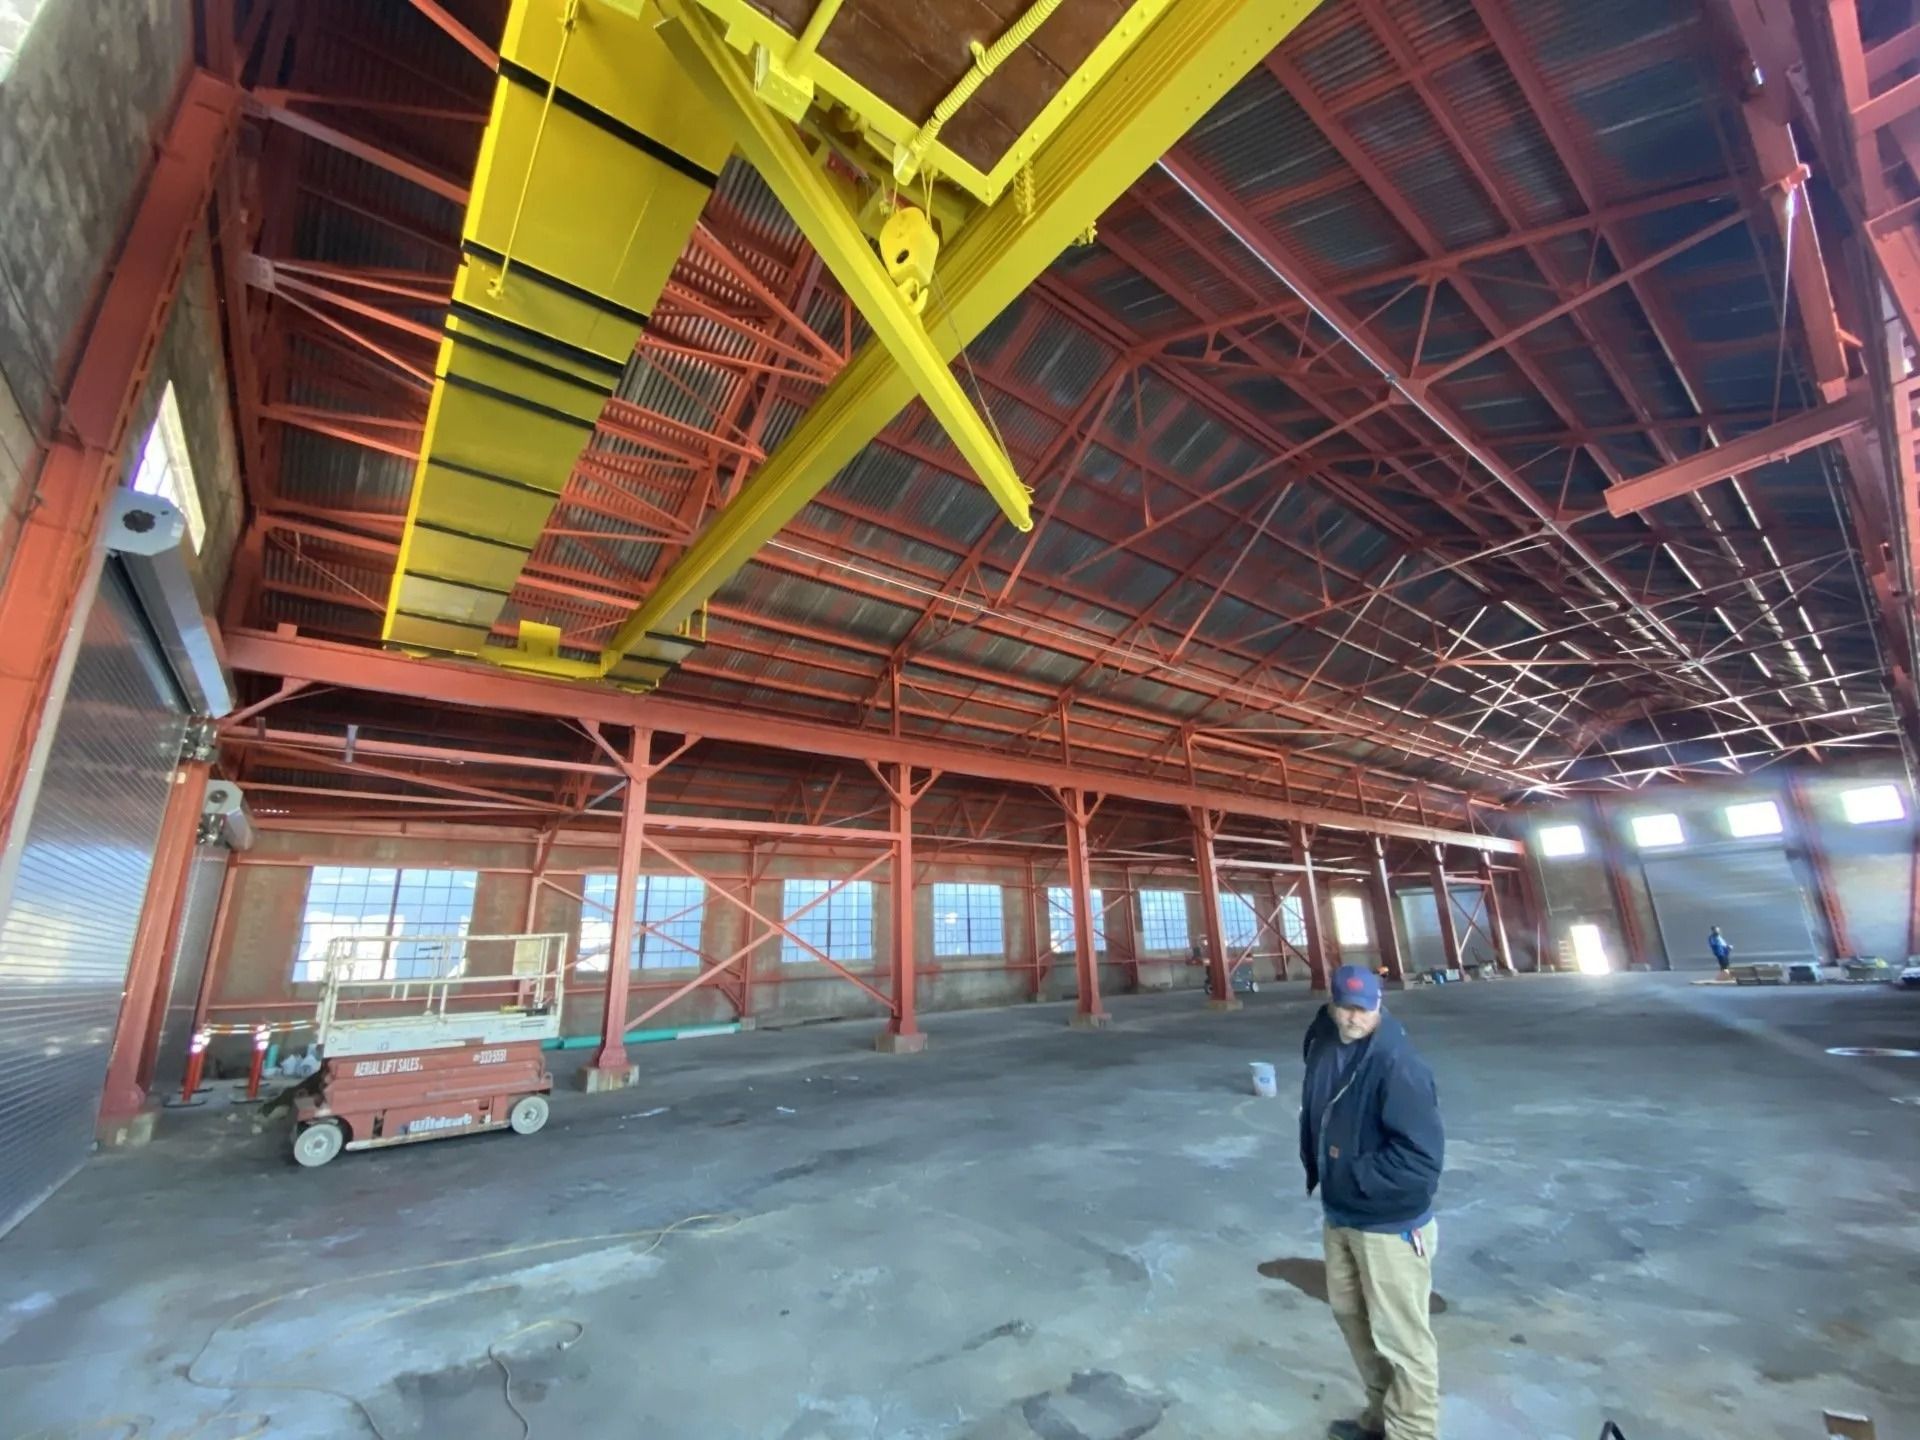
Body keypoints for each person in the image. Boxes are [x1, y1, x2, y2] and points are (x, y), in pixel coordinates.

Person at [1301, 964, 1444, 1440]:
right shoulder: (1324, 1042)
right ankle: (1382, 1417)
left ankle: (1414, 1434)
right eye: (1345, 1007)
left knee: (1403, 1341)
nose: (1353, 1018)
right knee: (1352, 1317)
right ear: (1331, 1003)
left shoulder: (1399, 1066)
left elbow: (1420, 1163)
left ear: (1379, 1004)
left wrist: (1350, 1172)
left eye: (1363, 1009)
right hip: (1340, 1213)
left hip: (1388, 1225)